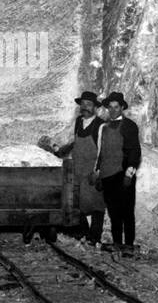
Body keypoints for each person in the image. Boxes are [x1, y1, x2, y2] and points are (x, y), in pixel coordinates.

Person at [38, 91, 107, 247]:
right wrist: (55, 149)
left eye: (88, 104)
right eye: (82, 104)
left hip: (92, 171)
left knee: (97, 205)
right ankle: (83, 233)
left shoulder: (101, 125)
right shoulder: (78, 122)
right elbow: (71, 142)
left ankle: (95, 237)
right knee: (77, 203)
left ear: (95, 107)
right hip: (78, 170)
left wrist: (98, 172)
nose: (85, 107)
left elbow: (104, 151)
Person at [93, 92, 141, 256]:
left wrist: (129, 173)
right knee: (114, 212)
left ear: (121, 108)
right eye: (110, 107)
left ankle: (128, 246)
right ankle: (117, 243)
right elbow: (101, 153)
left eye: (116, 107)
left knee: (127, 211)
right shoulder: (103, 128)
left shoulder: (129, 126)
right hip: (108, 176)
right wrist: (98, 173)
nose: (113, 110)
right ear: (107, 109)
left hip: (122, 175)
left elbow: (134, 152)